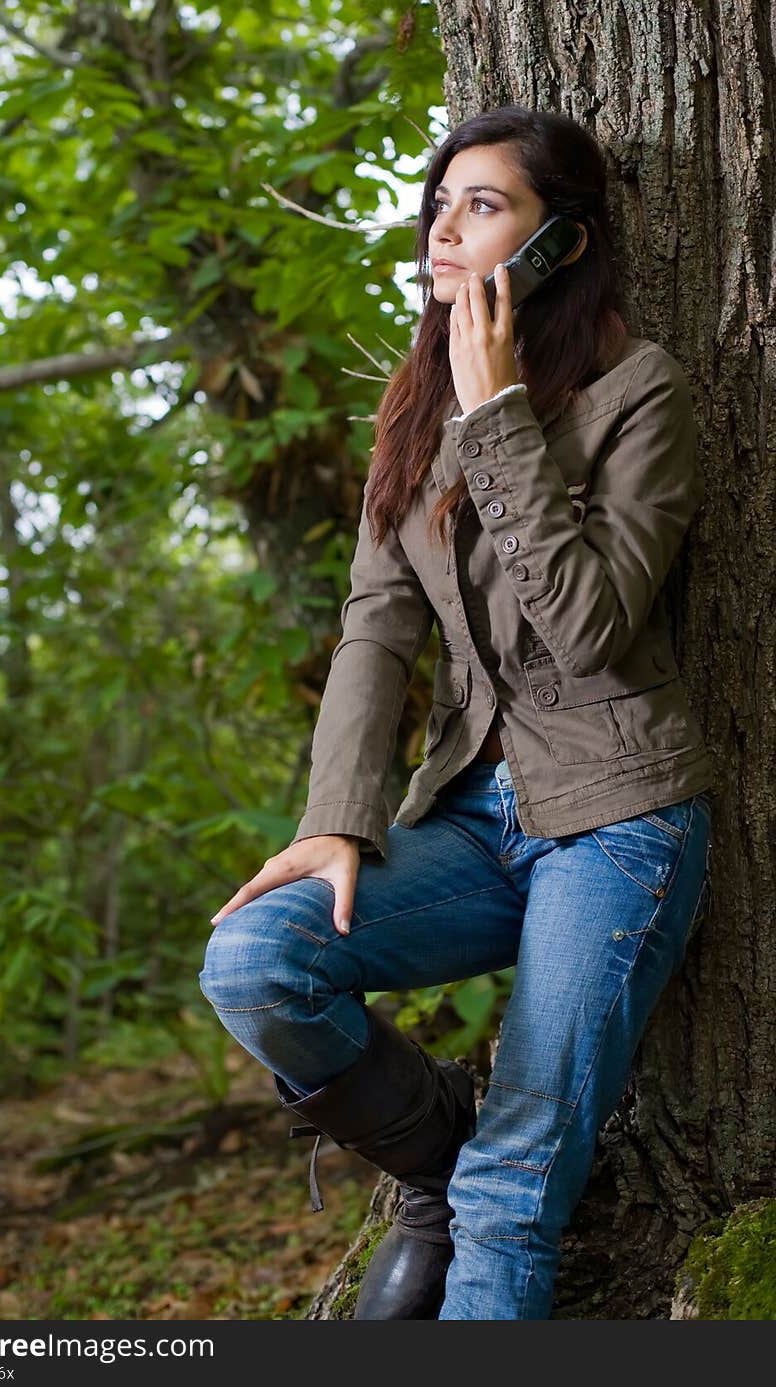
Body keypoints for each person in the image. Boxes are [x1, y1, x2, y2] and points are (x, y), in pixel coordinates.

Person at [198, 105, 716, 1320]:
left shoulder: (639, 392)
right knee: (255, 961)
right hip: (475, 817)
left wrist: (498, 420)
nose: (444, 228)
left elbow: (588, 627)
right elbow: (376, 625)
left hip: (618, 821)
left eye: (484, 206)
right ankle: (437, 1157)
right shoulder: (412, 401)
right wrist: (338, 820)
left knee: (517, 1186)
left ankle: (481, 1196)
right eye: (440, 203)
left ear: (561, 244)